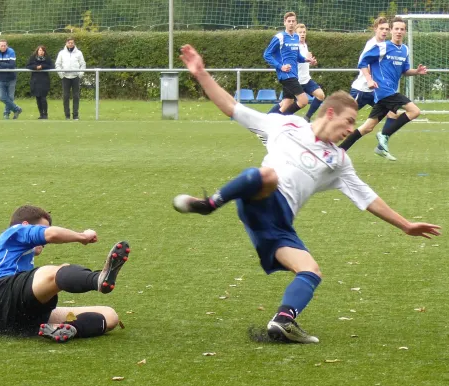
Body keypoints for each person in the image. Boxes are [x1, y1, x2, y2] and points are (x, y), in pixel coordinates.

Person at [173, 44, 440, 344]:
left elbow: (368, 198)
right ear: (330, 113)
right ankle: (210, 204)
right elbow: (233, 108)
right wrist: (201, 73)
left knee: (310, 271)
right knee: (266, 175)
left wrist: (406, 225)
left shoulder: (338, 161)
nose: (350, 130)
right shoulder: (286, 125)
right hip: (261, 198)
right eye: (349, 122)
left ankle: (283, 321)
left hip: (278, 226)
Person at [0, 205, 130, 342]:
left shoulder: (15, 260)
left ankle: (67, 329)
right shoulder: (16, 231)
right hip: (2, 294)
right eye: (41, 228)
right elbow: (52, 234)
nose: (43, 242)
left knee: (109, 315)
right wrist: (83, 237)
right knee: (53, 272)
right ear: (26, 225)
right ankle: (97, 279)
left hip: (17, 321)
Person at [339, 17, 427, 161]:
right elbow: (362, 62)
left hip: (387, 93)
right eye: (396, 29)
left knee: (367, 128)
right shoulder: (382, 47)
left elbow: (404, 71)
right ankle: (384, 135)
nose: (399, 32)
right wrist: (369, 79)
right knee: (414, 111)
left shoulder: (404, 50)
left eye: (402, 29)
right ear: (391, 30)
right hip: (384, 90)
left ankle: (339, 151)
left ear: (405, 31)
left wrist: (416, 72)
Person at [347, 17, 398, 160]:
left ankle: (382, 146)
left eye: (387, 29)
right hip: (362, 90)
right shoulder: (372, 45)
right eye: (381, 28)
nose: (384, 31)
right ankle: (319, 139)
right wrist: (370, 79)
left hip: (376, 92)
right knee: (343, 118)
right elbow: (362, 64)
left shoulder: (386, 46)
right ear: (375, 29)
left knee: (393, 113)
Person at [263, 12, 316, 115]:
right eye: (289, 21)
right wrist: (280, 66)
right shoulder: (280, 37)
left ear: (296, 22)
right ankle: (279, 120)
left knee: (288, 102)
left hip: (293, 74)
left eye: (293, 21)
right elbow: (266, 54)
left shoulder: (296, 37)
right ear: (284, 23)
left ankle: (269, 121)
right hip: (286, 75)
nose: (291, 23)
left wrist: (307, 60)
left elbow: (297, 57)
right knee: (303, 101)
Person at [295, 24, 325, 122]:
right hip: (296, 81)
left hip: (306, 80)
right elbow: (296, 60)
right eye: (300, 32)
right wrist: (306, 59)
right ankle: (275, 118)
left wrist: (312, 62)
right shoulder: (294, 46)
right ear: (295, 34)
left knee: (320, 95)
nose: (302, 34)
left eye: (304, 32)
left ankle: (307, 117)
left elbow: (305, 62)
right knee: (287, 104)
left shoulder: (304, 45)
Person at [55, 38, 86, 120]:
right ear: (66, 43)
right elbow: (57, 64)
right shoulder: (61, 53)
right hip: (65, 77)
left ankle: (75, 115)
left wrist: (80, 74)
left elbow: (83, 64)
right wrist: (61, 74)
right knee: (66, 96)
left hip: (76, 77)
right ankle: (67, 115)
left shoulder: (79, 53)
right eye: (69, 43)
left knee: (76, 96)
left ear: (74, 43)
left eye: (72, 43)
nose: (71, 44)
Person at [0, 39, 22, 119]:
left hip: (11, 78)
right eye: (1, 45)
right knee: (1, 97)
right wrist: (5, 65)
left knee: (10, 98)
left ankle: (6, 114)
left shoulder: (11, 51)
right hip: (0, 78)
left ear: (7, 46)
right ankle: (17, 109)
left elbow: (12, 65)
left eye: (4, 45)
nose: (3, 47)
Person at [26, 45, 54, 119]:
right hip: (35, 80)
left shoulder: (47, 58)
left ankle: (45, 114)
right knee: (38, 98)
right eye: (40, 50)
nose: (41, 52)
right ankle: (41, 114)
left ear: (44, 52)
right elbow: (28, 66)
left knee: (43, 97)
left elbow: (51, 66)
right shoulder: (33, 58)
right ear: (37, 51)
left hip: (44, 80)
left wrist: (42, 66)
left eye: (42, 50)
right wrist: (36, 67)